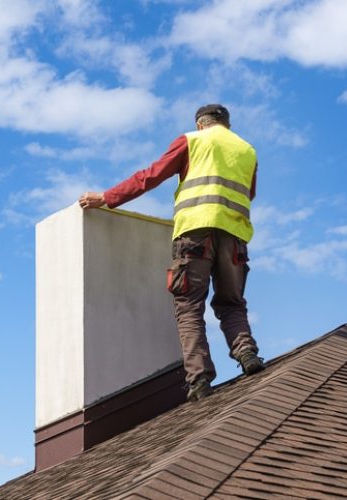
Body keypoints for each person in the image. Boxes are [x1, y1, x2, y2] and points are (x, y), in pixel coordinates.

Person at [79, 104, 264, 402]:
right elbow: (249, 194)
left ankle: (199, 378)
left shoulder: (191, 141)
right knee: (232, 302)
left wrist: (107, 197)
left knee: (189, 305)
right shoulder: (247, 151)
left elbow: (151, 175)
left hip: (194, 233)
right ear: (227, 125)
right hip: (235, 237)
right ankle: (247, 353)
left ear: (200, 124)